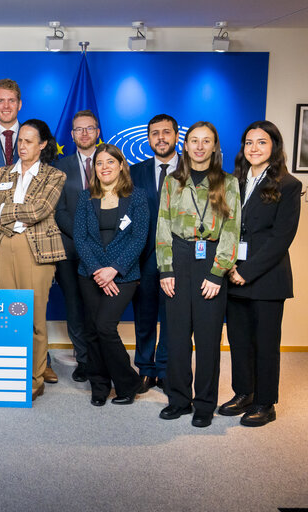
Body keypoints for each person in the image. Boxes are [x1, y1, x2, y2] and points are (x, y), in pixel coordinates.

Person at [156, 121, 241, 428]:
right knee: (177, 337)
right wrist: (165, 269)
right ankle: (178, 399)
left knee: (207, 339)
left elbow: (231, 229)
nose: (200, 146)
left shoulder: (228, 183)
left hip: (212, 258)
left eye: (207, 141)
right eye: (194, 140)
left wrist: (218, 273)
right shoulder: (172, 181)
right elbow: (163, 225)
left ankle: (205, 403)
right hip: (178, 257)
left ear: (215, 146)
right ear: (185, 145)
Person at [222, 121, 301, 427]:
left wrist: (247, 271)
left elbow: (282, 237)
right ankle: (244, 393)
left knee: (265, 343)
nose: (254, 148)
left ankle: (266, 403)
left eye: (262, 142)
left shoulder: (288, 185)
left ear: (274, 147)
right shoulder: (233, 182)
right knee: (239, 341)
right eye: (249, 143)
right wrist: (229, 267)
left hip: (267, 278)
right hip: (233, 274)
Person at [0, 119, 66, 401]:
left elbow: (39, 210)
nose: (22, 146)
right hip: (3, 247)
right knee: (9, 314)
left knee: (33, 318)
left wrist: (6, 210)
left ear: (43, 145)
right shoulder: (3, 172)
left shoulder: (54, 176)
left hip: (37, 251)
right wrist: (11, 213)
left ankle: (35, 377)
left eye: (29, 141)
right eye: (20, 140)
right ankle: (11, 372)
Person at [74, 144, 149, 406]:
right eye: (99, 163)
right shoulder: (85, 198)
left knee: (105, 326)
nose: (104, 167)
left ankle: (128, 383)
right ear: (94, 168)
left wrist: (113, 269)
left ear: (121, 165)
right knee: (92, 330)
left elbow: (139, 238)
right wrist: (97, 270)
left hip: (123, 275)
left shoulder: (137, 197)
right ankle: (100, 385)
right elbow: (80, 239)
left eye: (110, 162)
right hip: (90, 274)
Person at [129, 114, 181, 393]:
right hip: (145, 255)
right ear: (148, 138)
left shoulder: (192, 168)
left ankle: (165, 368)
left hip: (181, 256)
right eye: (154, 133)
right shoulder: (134, 172)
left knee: (172, 315)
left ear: (175, 135)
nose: (160, 138)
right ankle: (146, 369)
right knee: (145, 315)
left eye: (166, 132)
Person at [54, 110, 102, 382]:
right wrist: (83, 238)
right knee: (74, 305)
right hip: (70, 248)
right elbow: (59, 210)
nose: (84, 133)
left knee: (100, 306)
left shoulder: (111, 162)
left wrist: (97, 241)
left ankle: (100, 356)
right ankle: (83, 358)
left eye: (89, 128)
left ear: (97, 132)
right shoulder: (60, 167)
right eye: (78, 129)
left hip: (105, 249)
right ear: (71, 134)